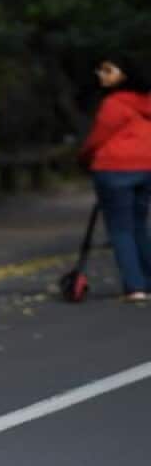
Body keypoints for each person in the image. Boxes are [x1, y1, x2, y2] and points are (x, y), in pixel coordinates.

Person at [79, 54, 151, 301]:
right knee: (139, 225)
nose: (101, 75)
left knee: (120, 228)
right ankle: (146, 279)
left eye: (108, 70)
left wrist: (84, 157)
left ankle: (135, 286)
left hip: (115, 169)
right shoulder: (147, 102)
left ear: (124, 74)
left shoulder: (114, 104)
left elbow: (98, 137)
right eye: (100, 70)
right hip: (146, 167)